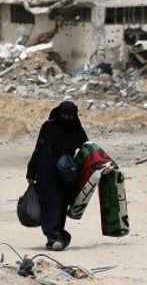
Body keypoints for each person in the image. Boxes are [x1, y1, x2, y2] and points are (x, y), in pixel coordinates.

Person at [26, 101, 88, 251]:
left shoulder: (76, 129)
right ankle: (53, 236)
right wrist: (31, 172)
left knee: (61, 204)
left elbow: (86, 148)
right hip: (46, 169)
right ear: (59, 113)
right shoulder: (48, 127)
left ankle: (57, 234)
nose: (66, 118)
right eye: (64, 115)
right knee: (49, 203)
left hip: (65, 173)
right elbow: (38, 148)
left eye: (70, 115)